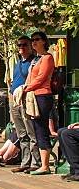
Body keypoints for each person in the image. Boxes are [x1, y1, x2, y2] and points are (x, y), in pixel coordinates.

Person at [23, 30, 56, 175]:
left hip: (43, 95)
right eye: (32, 40)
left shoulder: (47, 58)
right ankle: (42, 163)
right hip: (33, 95)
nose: (34, 42)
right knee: (36, 128)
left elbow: (41, 77)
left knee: (41, 127)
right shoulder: (35, 59)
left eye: (37, 39)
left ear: (44, 41)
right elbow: (31, 77)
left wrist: (26, 88)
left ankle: (45, 165)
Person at [9, 34, 41, 174]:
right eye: (19, 45)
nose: (21, 47)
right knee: (21, 133)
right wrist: (11, 100)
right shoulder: (18, 63)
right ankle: (25, 162)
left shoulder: (34, 61)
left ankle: (35, 162)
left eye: (24, 45)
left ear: (30, 47)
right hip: (15, 100)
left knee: (31, 132)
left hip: (26, 99)